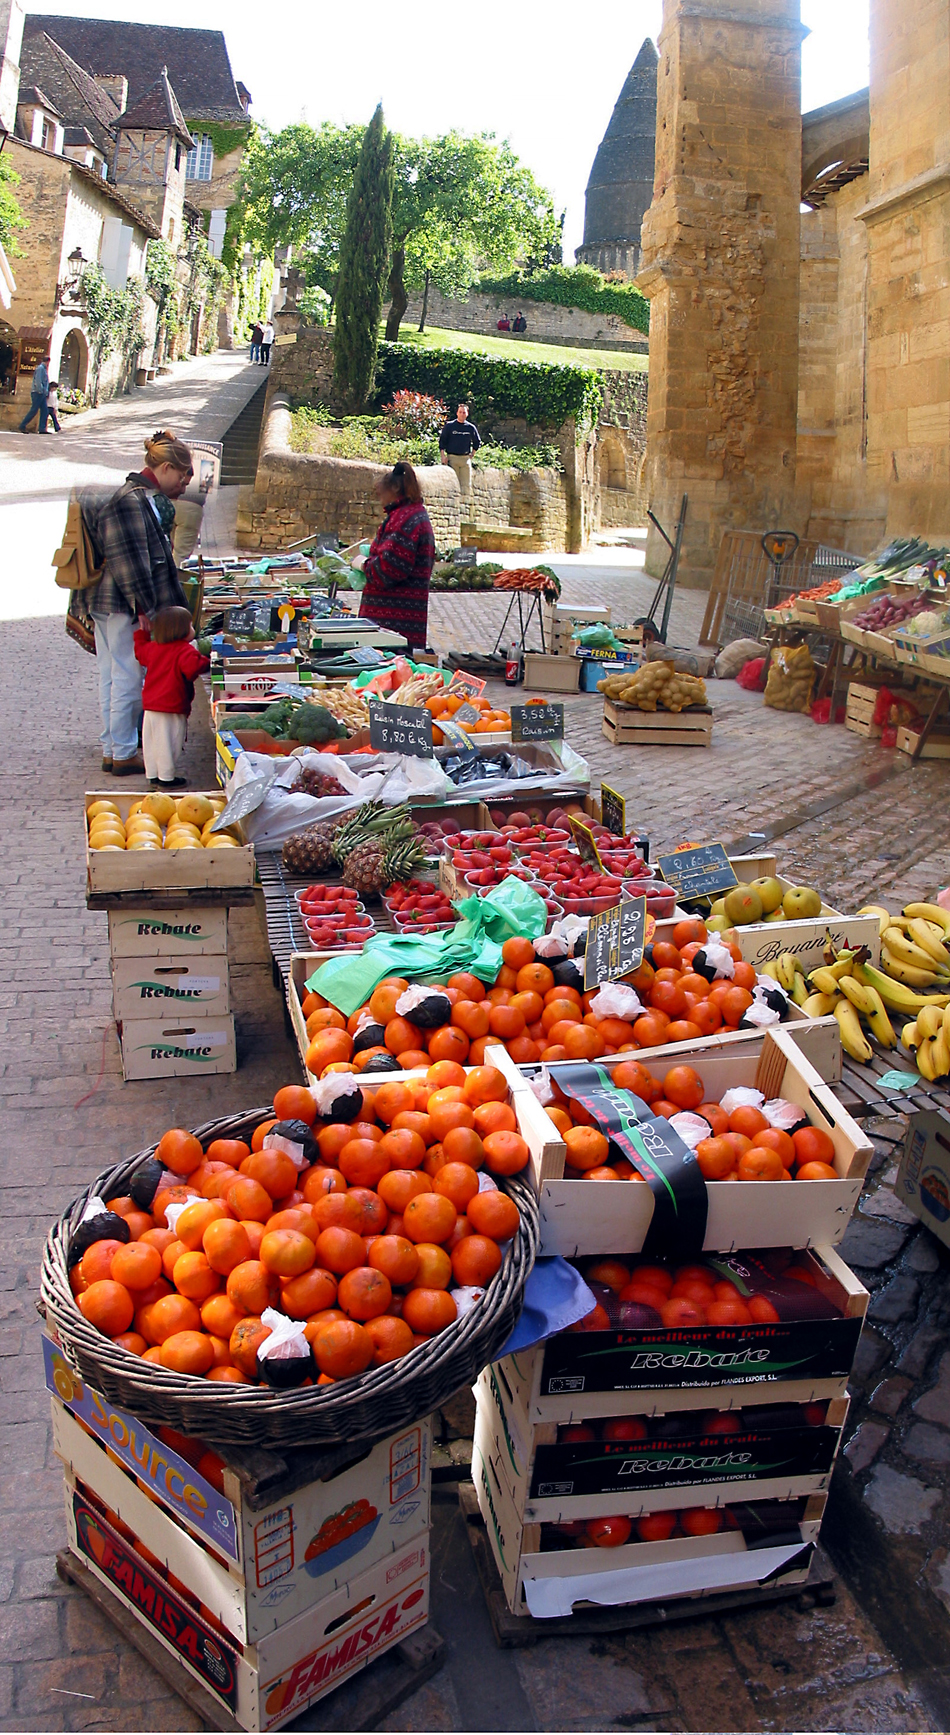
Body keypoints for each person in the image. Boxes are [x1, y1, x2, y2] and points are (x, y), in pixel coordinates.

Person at [82, 430, 193, 775]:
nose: (183, 484)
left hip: (110, 602)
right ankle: (123, 751)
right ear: (166, 468)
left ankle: (112, 747)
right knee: (126, 675)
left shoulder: (134, 496)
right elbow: (129, 559)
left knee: (112, 675)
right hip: (121, 603)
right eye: (182, 475)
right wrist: (144, 607)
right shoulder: (132, 499)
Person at [358, 462, 435, 654]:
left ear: (394, 489)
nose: (380, 500)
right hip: (396, 625)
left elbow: (388, 570)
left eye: (380, 494)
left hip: (395, 628)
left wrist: (362, 565)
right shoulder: (407, 515)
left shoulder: (406, 520)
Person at [134, 605, 210, 786]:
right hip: (172, 705)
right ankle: (167, 777)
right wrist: (206, 660)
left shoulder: (153, 648)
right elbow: (193, 668)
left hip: (151, 705)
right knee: (170, 743)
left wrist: (141, 634)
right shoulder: (184, 650)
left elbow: (140, 652)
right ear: (181, 631)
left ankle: (152, 773)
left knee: (152, 742)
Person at [438, 402, 481, 510]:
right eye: (460, 412)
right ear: (457, 413)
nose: (462, 414)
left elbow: (477, 441)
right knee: (453, 484)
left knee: (466, 485)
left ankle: (465, 508)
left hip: (465, 459)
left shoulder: (470, 428)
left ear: (467, 414)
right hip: (452, 458)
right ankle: (453, 507)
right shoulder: (450, 426)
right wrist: (443, 456)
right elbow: (442, 441)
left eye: (464, 412)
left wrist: (472, 454)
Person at [18, 352, 50, 433]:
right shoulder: (40, 369)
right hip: (38, 393)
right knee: (34, 410)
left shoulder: (43, 369)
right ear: (47, 362)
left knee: (45, 410)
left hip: (41, 393)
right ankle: (22, 425)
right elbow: (38, 381)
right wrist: (41, 391)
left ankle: (42, 429)